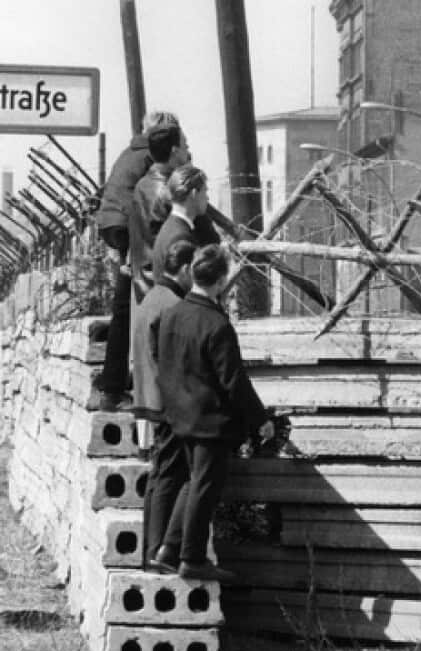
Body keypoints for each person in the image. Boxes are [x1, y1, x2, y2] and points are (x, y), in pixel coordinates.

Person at [155, 244, 273, 582]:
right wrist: (260, 420)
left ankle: (169, 549)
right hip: (209, 421)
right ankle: (191, 558)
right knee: (205, 488)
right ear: (221, 282)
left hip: (180, 416)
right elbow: (233, 381)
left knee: (193, 483)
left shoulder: (172, 314)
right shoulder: (216, 324)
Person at [90, 110, 179, 413]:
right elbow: (143, 200)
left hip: (110, 224)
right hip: (127, 227)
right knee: (133, 307)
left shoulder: (130, 151)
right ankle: (114, 388)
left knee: (124, 305)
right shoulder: (150, 160)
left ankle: (110, 385)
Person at [131, 239, 197, 573]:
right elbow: (174, 359)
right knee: (172, 476)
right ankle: (158, 551)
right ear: (185, 269)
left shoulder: (151, 298)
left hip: (149, 397)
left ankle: (149, 550)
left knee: (159, 476)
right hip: (168, 401)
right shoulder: (173, 304)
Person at [129, 125, 218, 291]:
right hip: (169, 284)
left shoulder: (142, 184)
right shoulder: (173, 193)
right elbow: (209, 239)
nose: (188, 150)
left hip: (144, 280)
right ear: (175, 151)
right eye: (185, 146)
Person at [151, 164, 214, 280]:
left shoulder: (172, 226)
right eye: (205, 191)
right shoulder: (181, 236)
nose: (207, 198)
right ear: (194, 194)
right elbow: (189, 289)